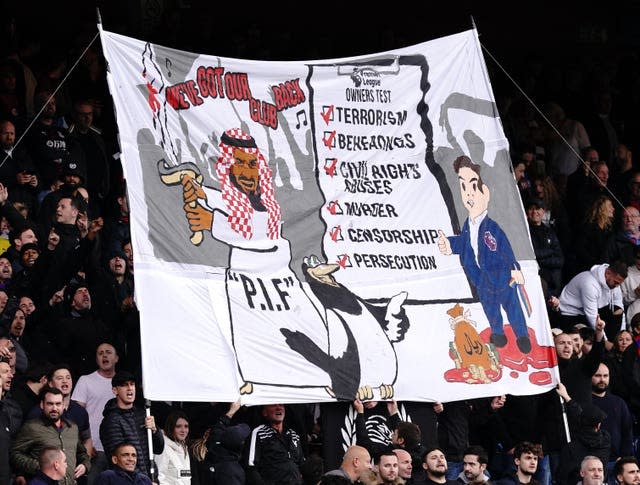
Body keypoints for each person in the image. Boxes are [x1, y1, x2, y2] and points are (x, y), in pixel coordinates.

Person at [437, 155, 531, 353]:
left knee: (512, 307)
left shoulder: (492, 228)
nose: (468, 195)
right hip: (481, 280)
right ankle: (498, 333)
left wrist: (514, 270)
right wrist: (449, 244)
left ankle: (522, 334)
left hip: (502, 278)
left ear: (485, 192)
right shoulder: (467, 226)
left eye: (473, 187)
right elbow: (464, 243)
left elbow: (506, 251)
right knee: (491, 309)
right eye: (464, 188)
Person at [10, 386, 91, 485]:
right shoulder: (31, 427)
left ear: (63, 405)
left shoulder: (72, 428)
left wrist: (85, 465)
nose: (54, 408)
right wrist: (40, 466)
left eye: (58, 404)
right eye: (50, 404)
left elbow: (82, 453)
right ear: (42, 405)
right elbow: (15, 454)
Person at [99, 371, 164, 479]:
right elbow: (121, 460)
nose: (129, 388)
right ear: (115, 390)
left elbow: (159, 448)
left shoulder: (143, 414)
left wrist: (155, 430)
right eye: (124, 385)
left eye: (132, 384)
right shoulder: (111, 421)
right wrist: (144, 482)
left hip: (150, 479)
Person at [72, 342, 119, 485]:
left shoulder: (123, 384)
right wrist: (83, 444)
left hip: (117, 449)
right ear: (96, 359)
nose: (104, 355)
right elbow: (75, 416)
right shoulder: (86, 381)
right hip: (93, 449)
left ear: (116, 358)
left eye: (108, 352)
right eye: (100, 353)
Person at [558, 261, 627, 341]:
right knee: (590, 338)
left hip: (592, 310)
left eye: (619, 284)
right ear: (608, 273)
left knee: (617, 310)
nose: (617, 286)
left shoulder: (614, 282)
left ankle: (615, 344)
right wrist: (605, 341)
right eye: (616, 282)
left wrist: (623, 335)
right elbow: (592, 317)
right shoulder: (589, 284)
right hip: (570, 314)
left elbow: (620, 308)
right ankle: (606, 347)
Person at [591, 362, 634, 475]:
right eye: (598, 375)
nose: (602, 379)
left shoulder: (619, 402)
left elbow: (627, 432)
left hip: (615, 462)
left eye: (605, 376)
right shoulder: (584, 402)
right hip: (591, 463)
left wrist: (623, 458)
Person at [246, 403, 305, 484]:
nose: (279, 408)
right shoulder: (259, 433)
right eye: (273, 405)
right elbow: (251, 467)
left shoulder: (293, 435)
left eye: (281, 405)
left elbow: (301, 464)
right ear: (264, 412)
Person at [155, 409, 196, 485]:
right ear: (171, 427)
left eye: (186, 426)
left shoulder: (184, 447)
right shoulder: (163, 448)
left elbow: (185, 476)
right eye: (178, 426)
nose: (183, 430)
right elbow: (159, 478)